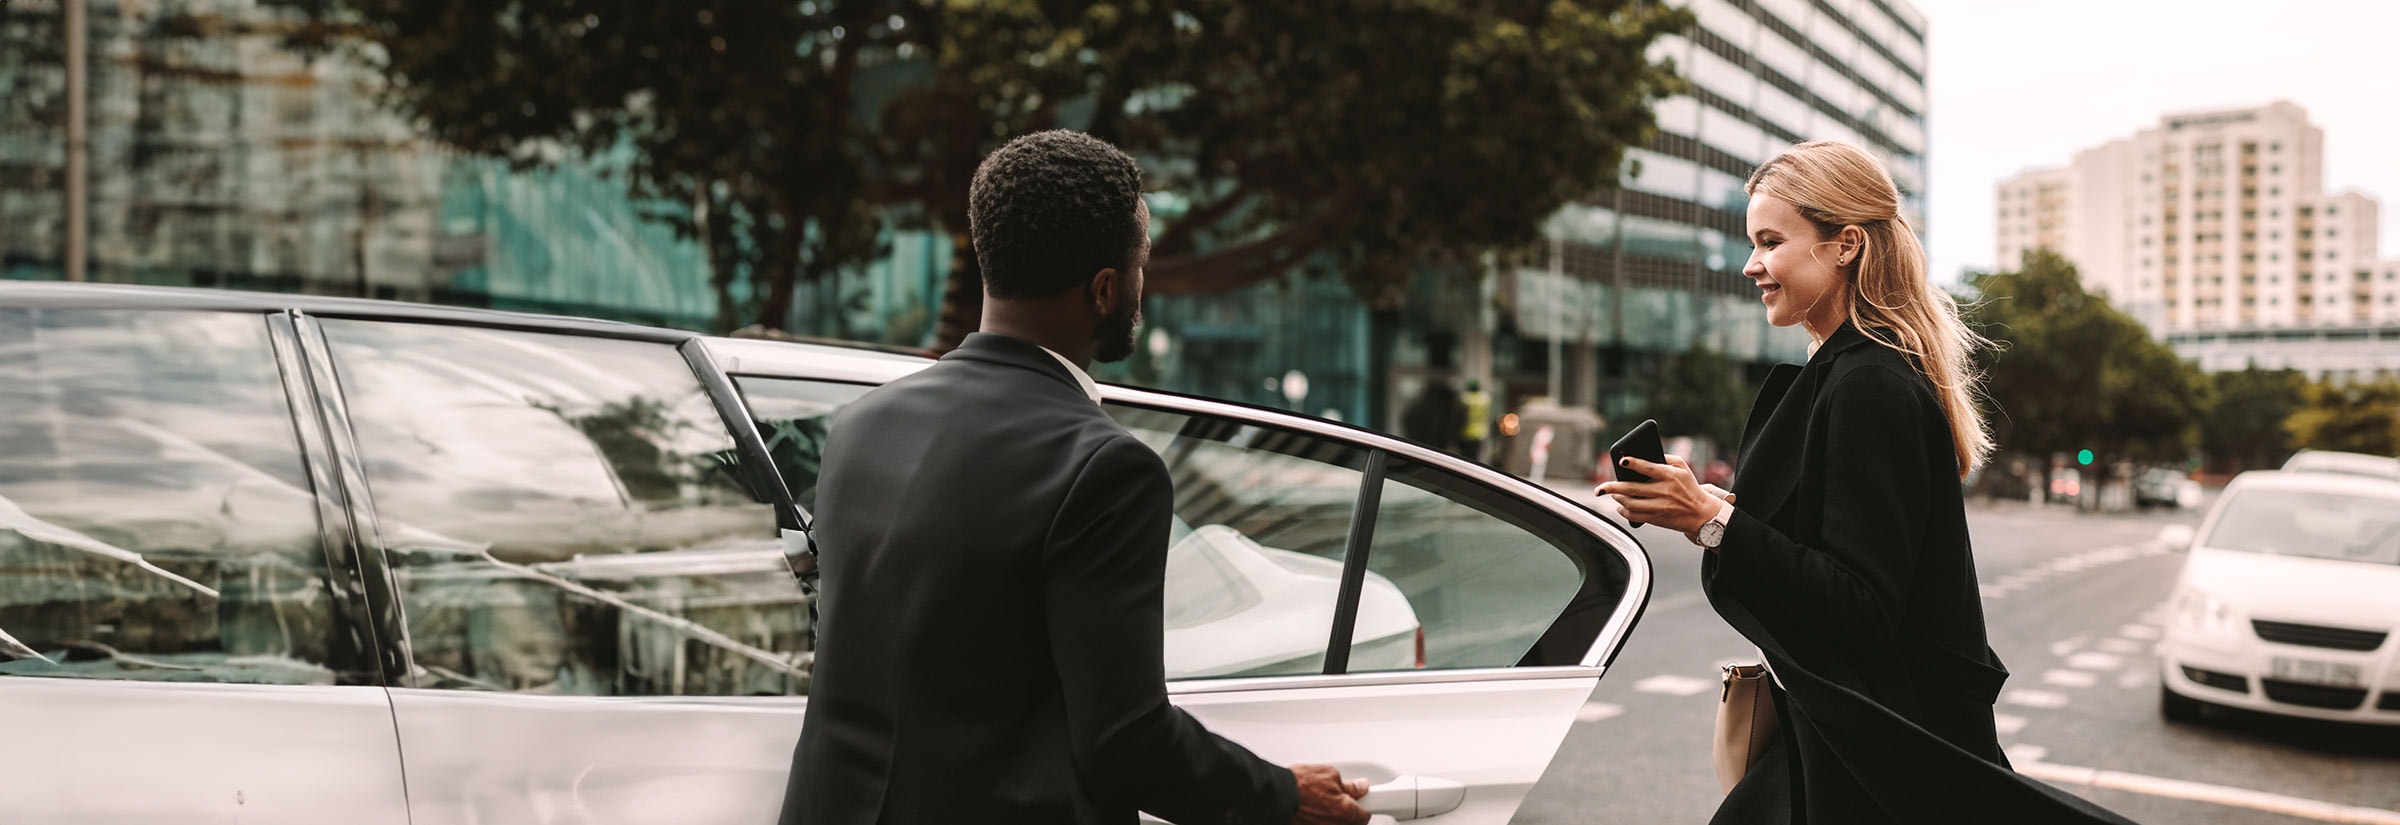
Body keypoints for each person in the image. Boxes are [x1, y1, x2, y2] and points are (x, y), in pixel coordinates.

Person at [779, 130, 1371, 825]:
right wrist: (1280, 793)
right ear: (1104, 289)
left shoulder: (860, 426)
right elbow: (1126, 738)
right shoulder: (1106, 468)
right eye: (1141, 264)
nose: (1143, 286)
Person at [1599, 141, 2134, 825]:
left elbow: (1860, 601)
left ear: (1844, 244)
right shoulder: (1848, 374)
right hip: (1850, 744)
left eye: (1770, 241)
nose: (1751, 264)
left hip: (1882, 763)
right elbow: (1830, 539)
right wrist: (1710, 507)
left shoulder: (1869, 384)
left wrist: (1713, 520)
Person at [1457, 378, 1491, 462]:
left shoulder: (1465, 398)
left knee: (1464, 457)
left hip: (1465, 432)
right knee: (1475, 457)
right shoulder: (1484, 399)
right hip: (1479, 433)